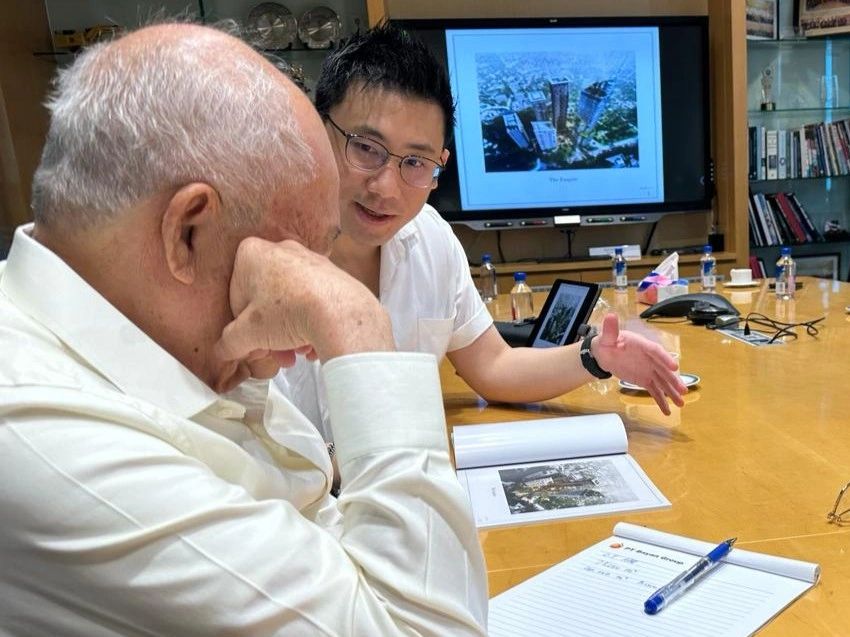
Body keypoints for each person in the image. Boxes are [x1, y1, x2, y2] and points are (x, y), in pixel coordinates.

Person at [0, 23, 488, 635]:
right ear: (187, 233)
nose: (279, 357)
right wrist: (356, 324)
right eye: (289, 267)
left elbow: (326, 526)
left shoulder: (166, 341)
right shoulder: (46, 435)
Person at [276, 23, 686, 443]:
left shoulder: (431, 240)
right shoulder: (260, 248)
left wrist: (596, 356)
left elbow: (493, 366)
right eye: (365, 148)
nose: (386, 188)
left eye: (415, 162)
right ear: (317, 129)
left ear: (439, 163)